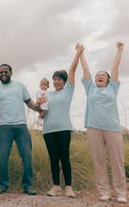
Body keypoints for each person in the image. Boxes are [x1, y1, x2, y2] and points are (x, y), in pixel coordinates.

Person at [79, 42, 127, 204]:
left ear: (108, 80)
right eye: (98, 75)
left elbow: (115, 66)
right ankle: (104, 192)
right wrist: (81, 52)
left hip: (113, 129)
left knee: (117, 162)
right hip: (94, 129)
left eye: (103, 75)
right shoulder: (90, 88)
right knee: (99, 162)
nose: (100, 76)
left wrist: (120, 49)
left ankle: (121, 192)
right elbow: (85, 68)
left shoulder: (112, 88)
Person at [0, 64, 38, 195]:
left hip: (21, 126)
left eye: (6, 71)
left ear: (11, 73)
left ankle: (28, 185)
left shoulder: (20, 86)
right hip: (4, 127)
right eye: (1, 72)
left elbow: (29, 101)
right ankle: (3, 185)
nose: (3, 74)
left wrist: (38, 108)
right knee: (2, 157)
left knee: (27, 156)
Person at [40, 44, 84, 198]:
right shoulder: (47, 94)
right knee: (53, 158)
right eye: (54, 79)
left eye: (59, 79)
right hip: (48, 130)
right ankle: (56, 186)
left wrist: (78, 53)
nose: (56, 82)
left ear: (65, 82)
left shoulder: (68, 91)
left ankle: (69, 187)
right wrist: (37, 104)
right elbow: (40, 111)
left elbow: (72, 70)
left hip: (64, 129)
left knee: (64, 157)